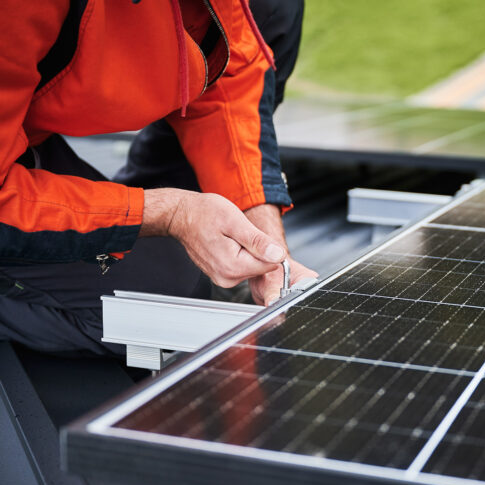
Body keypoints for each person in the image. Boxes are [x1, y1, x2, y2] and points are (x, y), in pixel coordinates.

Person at [0, 0, 315, 357]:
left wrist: (268, 243)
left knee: (276, 7)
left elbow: (229, 80)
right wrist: (169, 213)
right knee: (159, 310)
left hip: (17, 135)